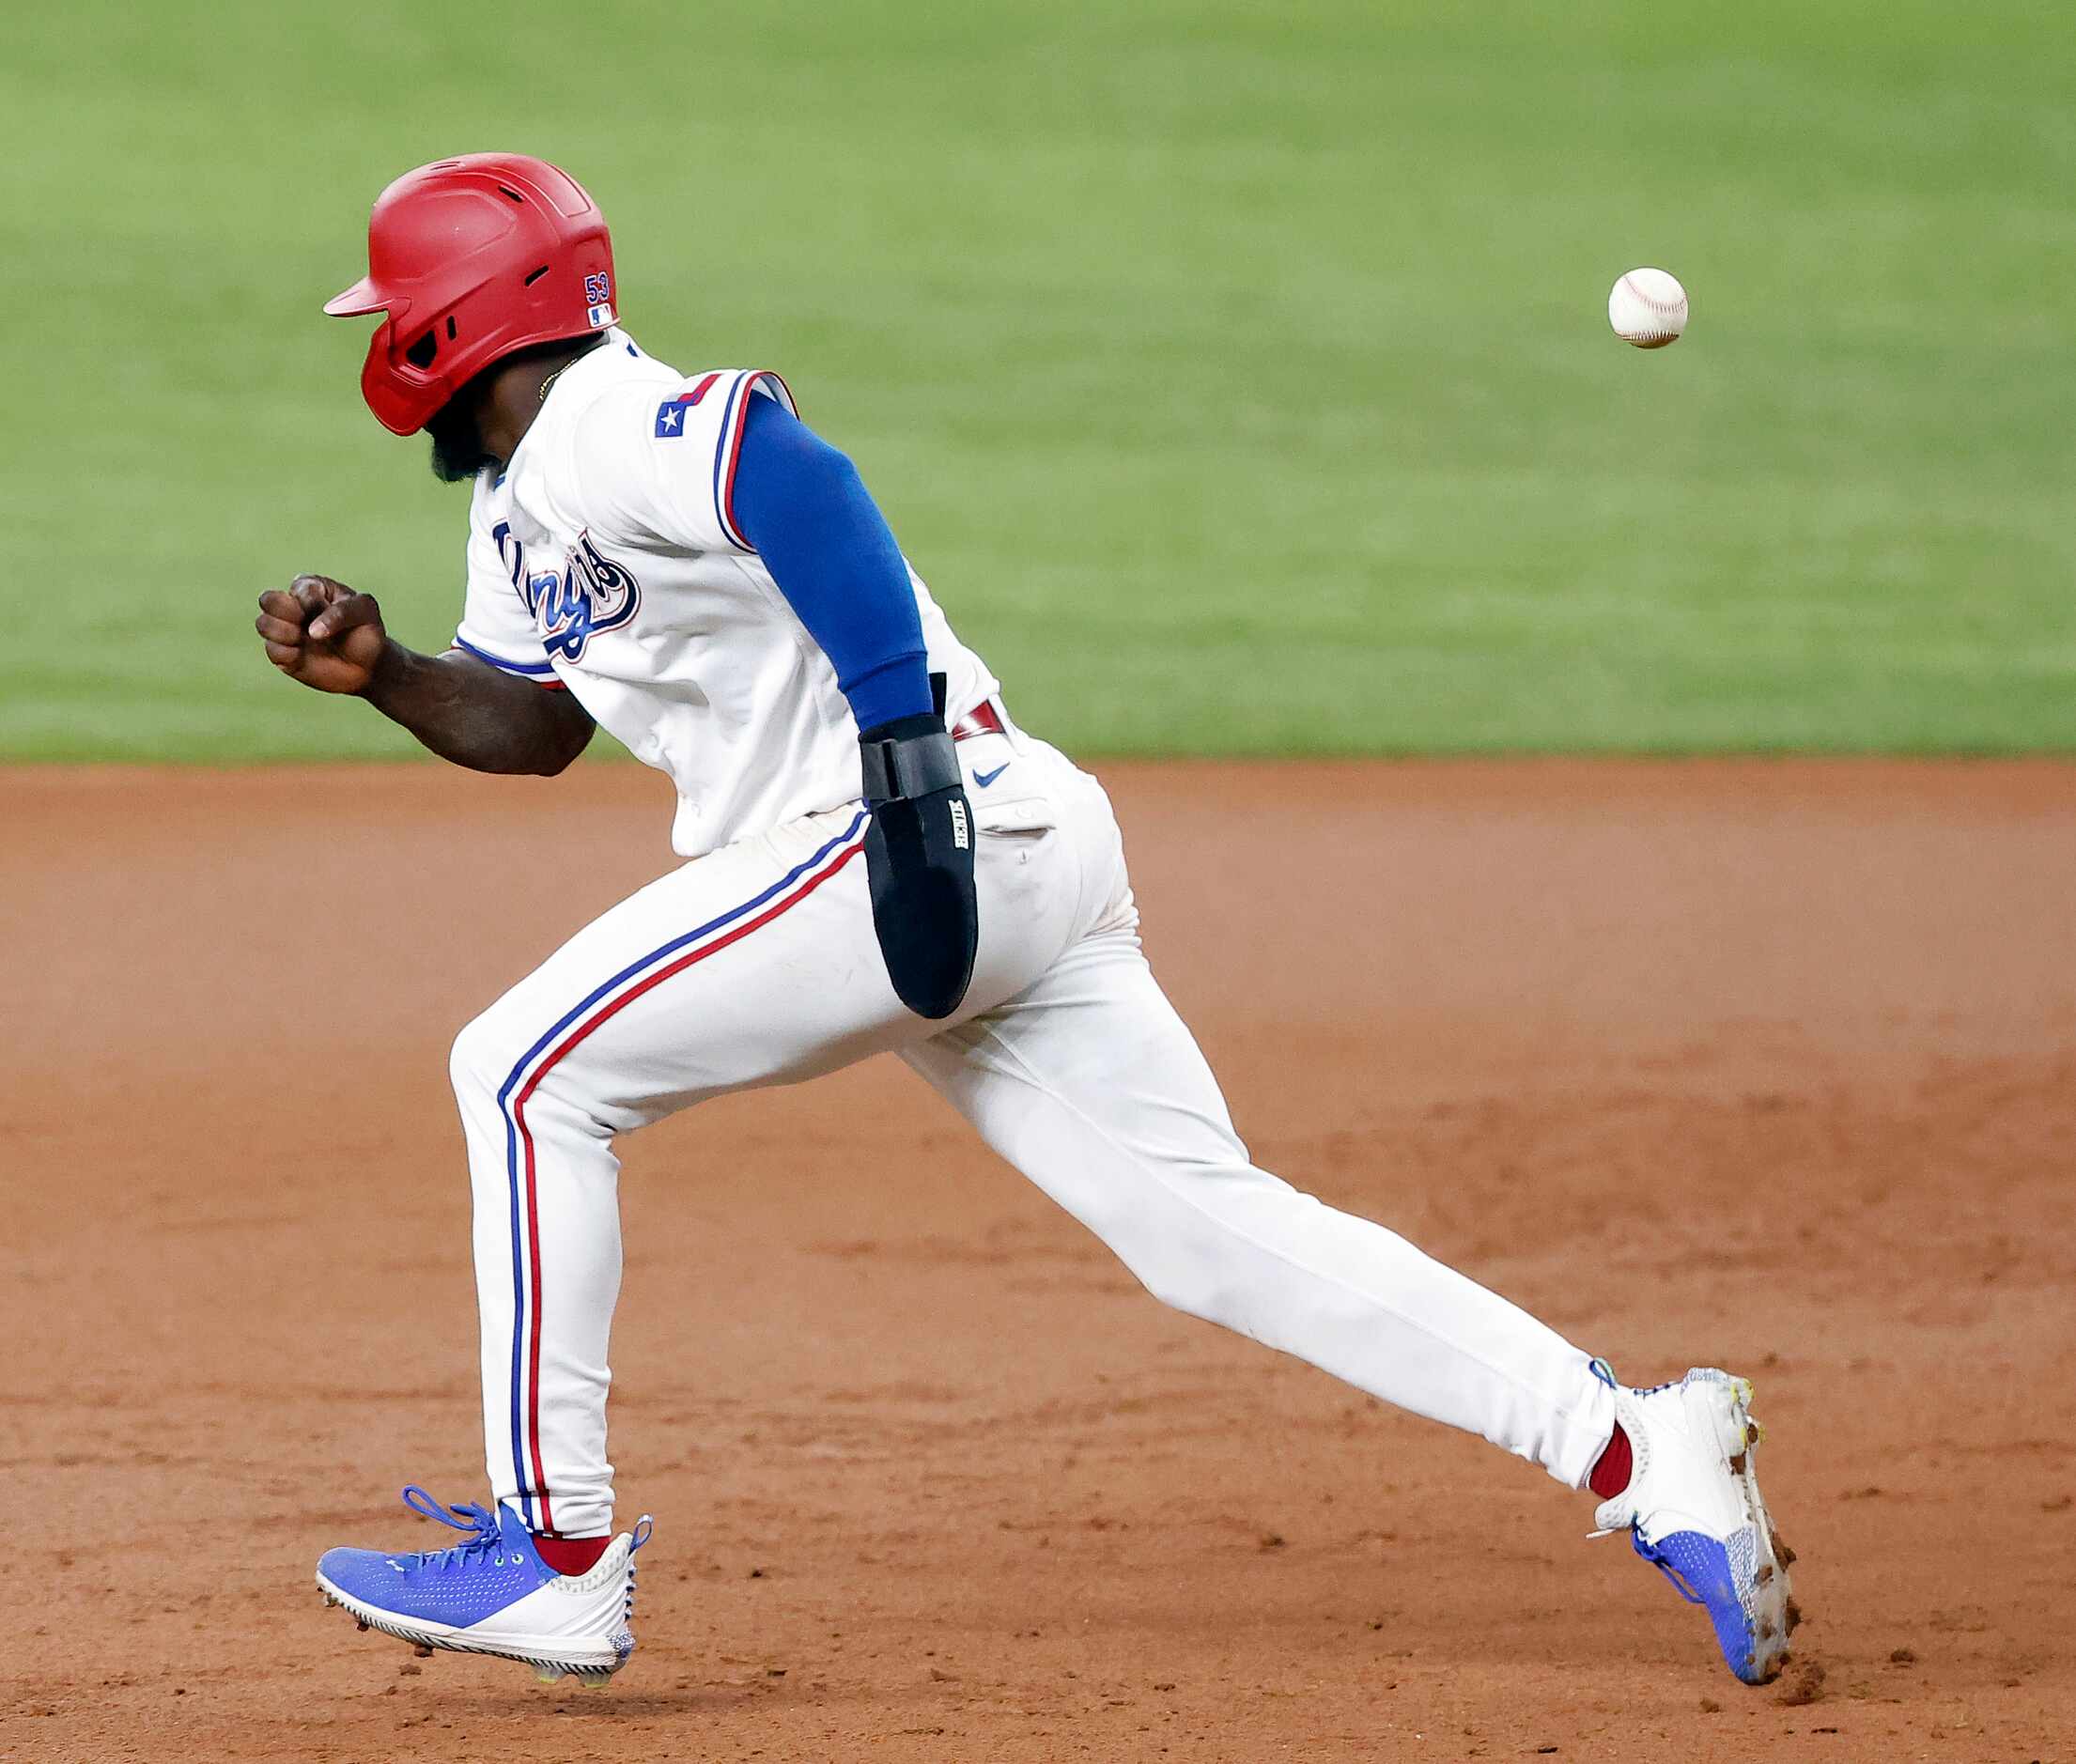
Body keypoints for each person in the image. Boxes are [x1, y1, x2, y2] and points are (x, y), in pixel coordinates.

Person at [262, 153, 1796, 1690]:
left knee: (524, 1071)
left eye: (390, 309)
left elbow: (797, 475)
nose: (375, 337)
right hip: (1010, 842)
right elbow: (534, 726)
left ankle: (559, 1554)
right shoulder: (525, 498)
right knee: (1211, 1232)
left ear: (450, 324)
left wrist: (900, 760)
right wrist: (388, 670)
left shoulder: (609, 420)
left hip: (909, 832)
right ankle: (1637, 1441)